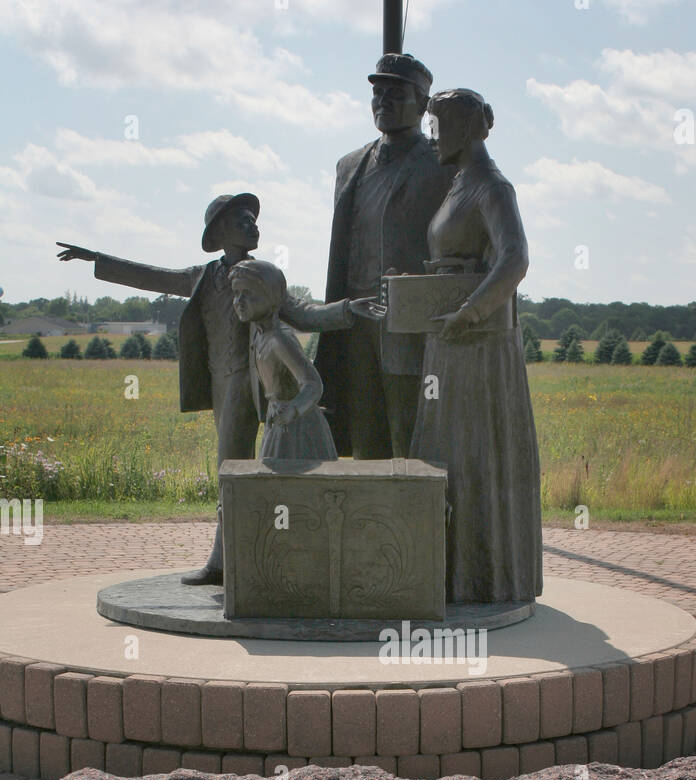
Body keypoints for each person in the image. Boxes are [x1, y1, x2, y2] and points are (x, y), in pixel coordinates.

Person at [57, 195, 380, 582]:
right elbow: (154, 276)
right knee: (231, 469)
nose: (254, 226)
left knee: (261, 469)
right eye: (244, 220)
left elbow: (304, 313)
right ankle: (229, 560)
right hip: (224, 386)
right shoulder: (205, 276)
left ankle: (249, 562)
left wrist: (346, 310)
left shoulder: (263, 277)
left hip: (264, 385)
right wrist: (97, 260)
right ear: (221, 231)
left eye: (253, 220)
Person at [409, 89, 543, 605]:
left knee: (475, 452)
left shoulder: (492, 186)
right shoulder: (459, 184)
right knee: (449, 453)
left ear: (466, 129)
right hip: (449, 342)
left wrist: (470, 312)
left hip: (477, 346)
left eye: (438, 123)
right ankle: (451, 573)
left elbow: (515, 259)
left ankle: (484, 578)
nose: (431, 134)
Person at [315, 53, 453, 459]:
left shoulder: (442, 162)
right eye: (377, 93)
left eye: (396, 93)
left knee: (410, 429)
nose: (383, 102)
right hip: (355, 315)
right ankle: (367, 519)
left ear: (423, 103)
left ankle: (414, 516)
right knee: (363, 429)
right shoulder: (350, 165)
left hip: (410, 320)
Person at [230, 259, 346, 463]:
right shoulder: (260, 336)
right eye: (236, 293)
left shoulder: (279, 339)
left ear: (272, 297)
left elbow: (313, 384)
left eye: (248, 293)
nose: (239, 300)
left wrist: (293, 409)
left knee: (295, 482)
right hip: (279, 419)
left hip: (299, 427)